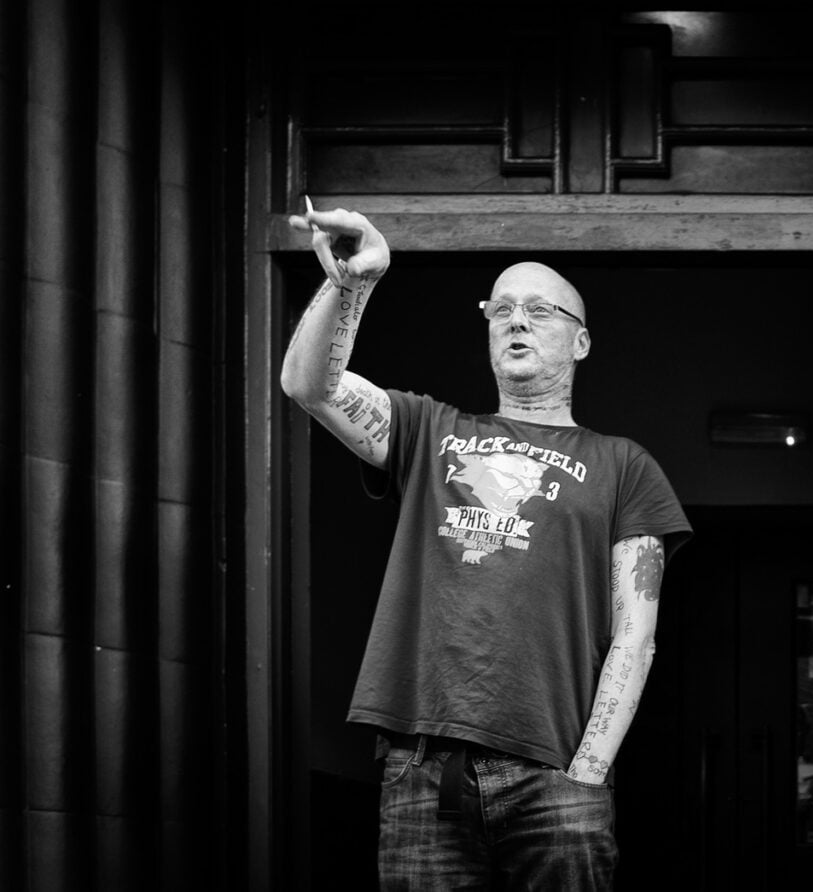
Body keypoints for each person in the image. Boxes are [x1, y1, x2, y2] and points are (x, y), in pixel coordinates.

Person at [281, 203, 692, 890]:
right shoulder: (430, 430)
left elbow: (636, 634)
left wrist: (588, 771)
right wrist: (354, 283)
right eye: (500, 309)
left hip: (554, 774)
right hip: (422, 769)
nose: (517, 320)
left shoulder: (624, 465)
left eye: (539, 309)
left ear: (581, 342)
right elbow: (308, 385)